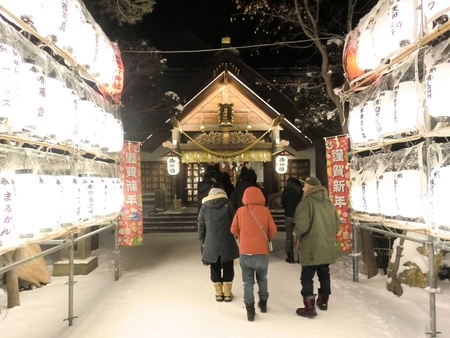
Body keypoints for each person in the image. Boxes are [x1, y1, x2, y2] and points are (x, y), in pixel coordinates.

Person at [293, 177, 340, 318]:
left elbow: (302, 225)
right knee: (324, 273)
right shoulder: (328, 203)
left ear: (311, 187)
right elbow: (337, 224)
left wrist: (295, 233)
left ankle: (309, 307)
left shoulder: (306, 202)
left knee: (307, 276)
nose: (303, 188)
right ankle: (323, 302)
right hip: (326, 244)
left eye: (305, 185)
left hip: (311, 245)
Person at [231, 187, 277, 322]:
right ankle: (263, 303)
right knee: (262, 279)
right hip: (262, 251)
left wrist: (242, 238)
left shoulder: (240, 211)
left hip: (245, 251)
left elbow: (233, 229)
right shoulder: (265, 211)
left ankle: (250, 311)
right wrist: (266, 238)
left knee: (247, 283)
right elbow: (273, 229)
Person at [198, 182, 239, 302]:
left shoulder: (204, 206)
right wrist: (236, 235)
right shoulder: (228, 204)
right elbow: (235, 221)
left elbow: (201, 224)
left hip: (210, 240)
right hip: (227, 239)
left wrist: (202, 239)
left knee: (214, 266)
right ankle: (227, 293)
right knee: (228, 265)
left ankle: (218, 293)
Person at [280, 177, 303, 263]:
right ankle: (300, 257)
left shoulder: (286, 191)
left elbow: (282, 203)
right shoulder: (301, 191)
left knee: (289, 237)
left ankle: (290, 256)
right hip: (299, 216)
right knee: (299, 237)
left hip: (288, 215)